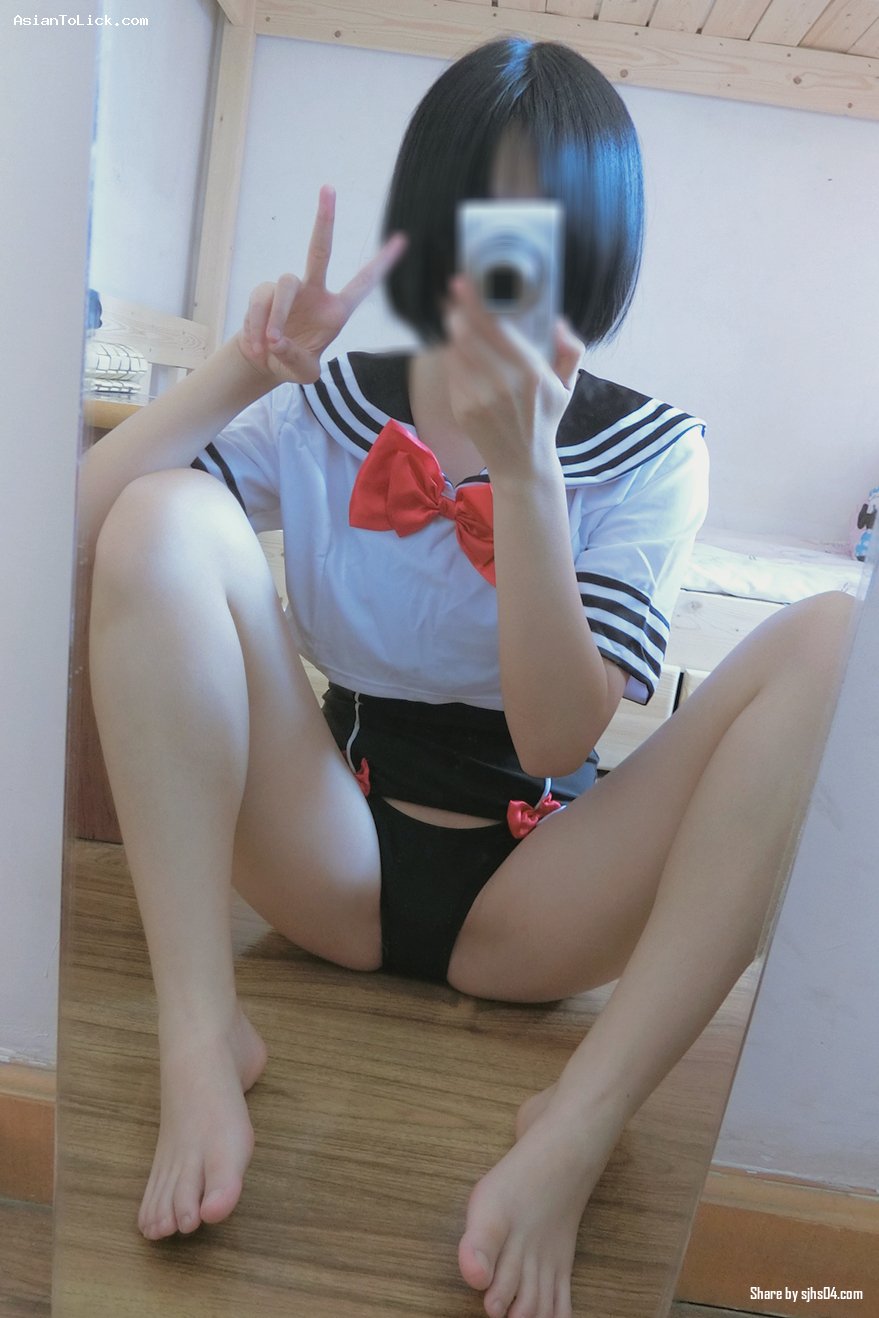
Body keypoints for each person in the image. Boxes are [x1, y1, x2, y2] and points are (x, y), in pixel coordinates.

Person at [81, 36, 853, 1318]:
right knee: (161, 517)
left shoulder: (653, 451)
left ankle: (580, 1121)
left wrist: (532, 476)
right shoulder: (331, 402)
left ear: (595, 250)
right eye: (471, 220)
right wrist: (240, 368)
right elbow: (84, 538)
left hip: (542, 891)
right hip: (329, 853)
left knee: (835, 638)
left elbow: (557, 732)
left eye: (540, 234)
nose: (497, 266)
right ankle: (201, 1037)